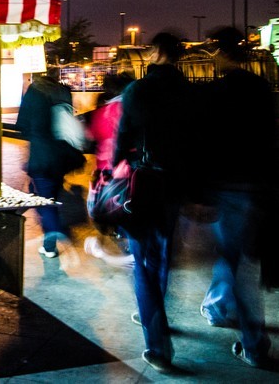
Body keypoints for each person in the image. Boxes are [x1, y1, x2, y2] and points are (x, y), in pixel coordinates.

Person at [112, 32, 193, 373]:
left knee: (142, 259)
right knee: (161, 254)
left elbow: (122, 139)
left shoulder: (138, 90)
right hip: (175, 185)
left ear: (157, 52)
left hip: (144, 184)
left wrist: (115, 172)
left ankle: (157, 344)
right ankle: (157, 314)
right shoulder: (189, 92)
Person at [199, 26, 274, 368]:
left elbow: (207, 143)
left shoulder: (216, 92)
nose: (211, 58)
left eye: (214, 51)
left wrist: (200, 191)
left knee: (237, 263)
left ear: (222, 53)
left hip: (227, 186)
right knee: (235, 255)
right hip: (256, 184)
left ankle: (255, 343)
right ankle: (216, 306)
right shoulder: (261, 88)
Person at [15, 67, 83, 259]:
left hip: (42, 156)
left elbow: (22, 125)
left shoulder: (35, 93)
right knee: (49, 194)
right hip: (62, 156)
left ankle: (58, 231)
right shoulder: (63, 92)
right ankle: (49, 245)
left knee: (44, 200)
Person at [83, 73, 134, 266]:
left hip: (105, 171)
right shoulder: (130, 110)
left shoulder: (101, 111)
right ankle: (130, 247)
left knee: (111, 208)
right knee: (128, 207)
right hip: (126, 169)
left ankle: (122, 242)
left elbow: (91, 137)